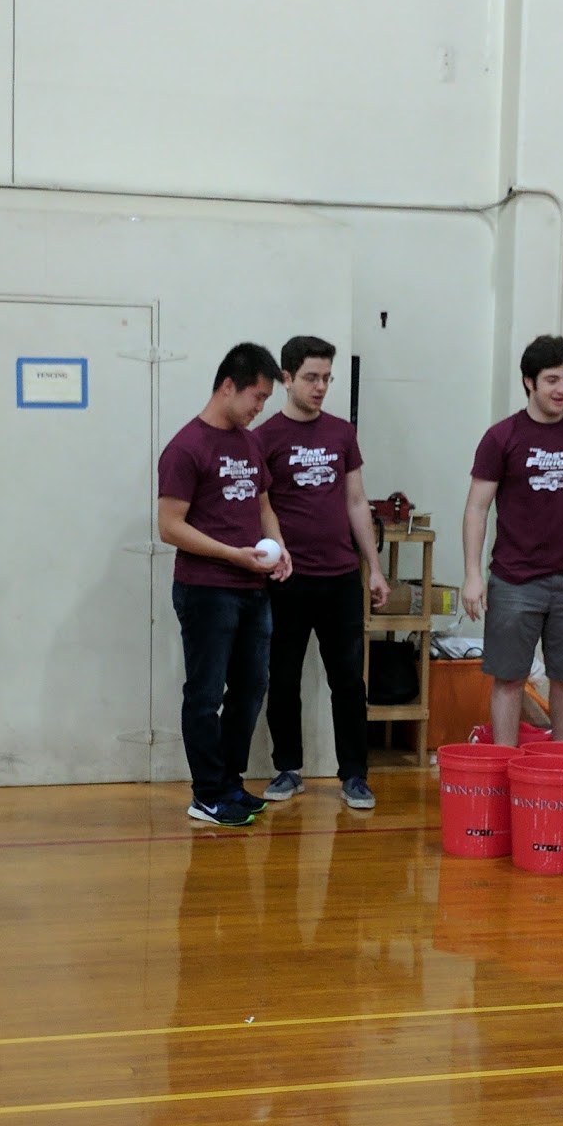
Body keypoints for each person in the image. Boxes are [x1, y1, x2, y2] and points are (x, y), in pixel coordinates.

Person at [461, 334, 563, 744]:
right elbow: (476, 508)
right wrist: (471, 575)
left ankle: (562, 766)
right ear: (528, 382)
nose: (562, 389)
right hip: (514, 579)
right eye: (552, 380)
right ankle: (504, 764)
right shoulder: (502, 436)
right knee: (509, 679)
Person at [157, 343, 292, 828]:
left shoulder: (250, 443)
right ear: (228, 386)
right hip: (206, 588)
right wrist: (233, 554)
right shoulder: (186, 447)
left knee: (252, 687)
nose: (261, 408)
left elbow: (263, 506)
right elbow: (170, 526)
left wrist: (279, 547)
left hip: (253, 590)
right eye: (257, 396)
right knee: (205, 692)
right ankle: (207, 793)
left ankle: (230, 783)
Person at [256, 335, 390, 810]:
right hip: (287, 579)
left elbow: (356, 501)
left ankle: (354, 774)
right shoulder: (264, 437)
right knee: (284, 674)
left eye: (327, 378)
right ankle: (287, 768)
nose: (320, 387)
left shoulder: (341, 434)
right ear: (287, 378)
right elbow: (258, 507)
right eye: (311, 377)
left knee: (349, 679)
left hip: (339, 577)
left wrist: (373, 568)